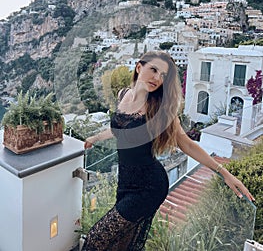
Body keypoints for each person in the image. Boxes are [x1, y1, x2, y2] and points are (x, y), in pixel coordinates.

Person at [82, 51, 255, 251]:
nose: (157, 78)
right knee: (121, 244)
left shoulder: (161, 110)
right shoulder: (124, 95)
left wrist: (223, 172)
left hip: (149, 187)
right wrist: (95, 138)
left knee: (95, 239)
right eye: (153, 70)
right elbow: (119, 128)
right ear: (139, 67)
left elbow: (187, 144)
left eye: (163, 75)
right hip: (126, 183)